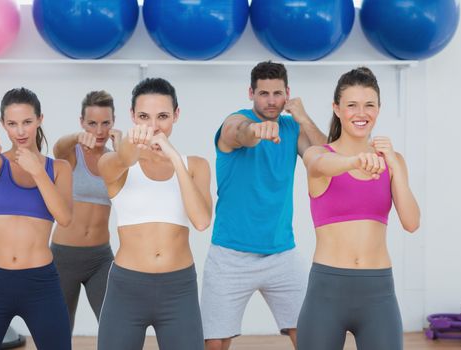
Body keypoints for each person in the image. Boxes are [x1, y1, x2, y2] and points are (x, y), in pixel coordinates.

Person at [201, 61, 327, 350]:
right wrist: (256, 131)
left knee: (311, 334)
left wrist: (305, 118)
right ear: (251, 93)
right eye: (263, 93)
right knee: (215, 343)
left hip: (282, 253)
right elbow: (238, 131)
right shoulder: (236, 120)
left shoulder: (292, 127)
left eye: (277, 93)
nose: (271, 101)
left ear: (288, 94)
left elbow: (325, 159)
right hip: (230, 254)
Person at [297, 67, 420, 350]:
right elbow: (319, 165)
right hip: (326, 293)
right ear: (337, 109)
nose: (360, 113)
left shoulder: (391, 160)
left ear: (378, 109)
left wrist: (394, 166)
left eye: (369, 105)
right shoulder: (320, 154)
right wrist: (355, 161)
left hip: (379, 294)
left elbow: (412, 222)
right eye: (351, 105)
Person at [97, 77, 212, 350]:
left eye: (162, 116)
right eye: (144, 117)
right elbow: (122, 160)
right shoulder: (114, 163)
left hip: (178, 288)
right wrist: (130, 147)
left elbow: (201, 220)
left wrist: (173, 157)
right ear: (132, 117)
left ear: (176, 115)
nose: (153, 126)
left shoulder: (195, 165)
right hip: (127, 288)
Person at [0, 88, 73, 349]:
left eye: (27, 122)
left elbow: (65, 217)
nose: (20, 131)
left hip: (40, 284)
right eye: (12, 124)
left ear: (39, 119)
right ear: (3, 124)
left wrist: (38, 172)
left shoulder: (58, 168)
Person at [51, 90, 120, 331]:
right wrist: (77, 138)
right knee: (59, 331)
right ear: (82, 123)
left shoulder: (115, 160)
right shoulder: (72, 154)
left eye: (105, 123)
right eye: (92, 123)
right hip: (63, 256)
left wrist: (122, 148)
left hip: (100, 258)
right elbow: (57, 148)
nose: (99, 131)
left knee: (115, 327)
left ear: (113, 123)